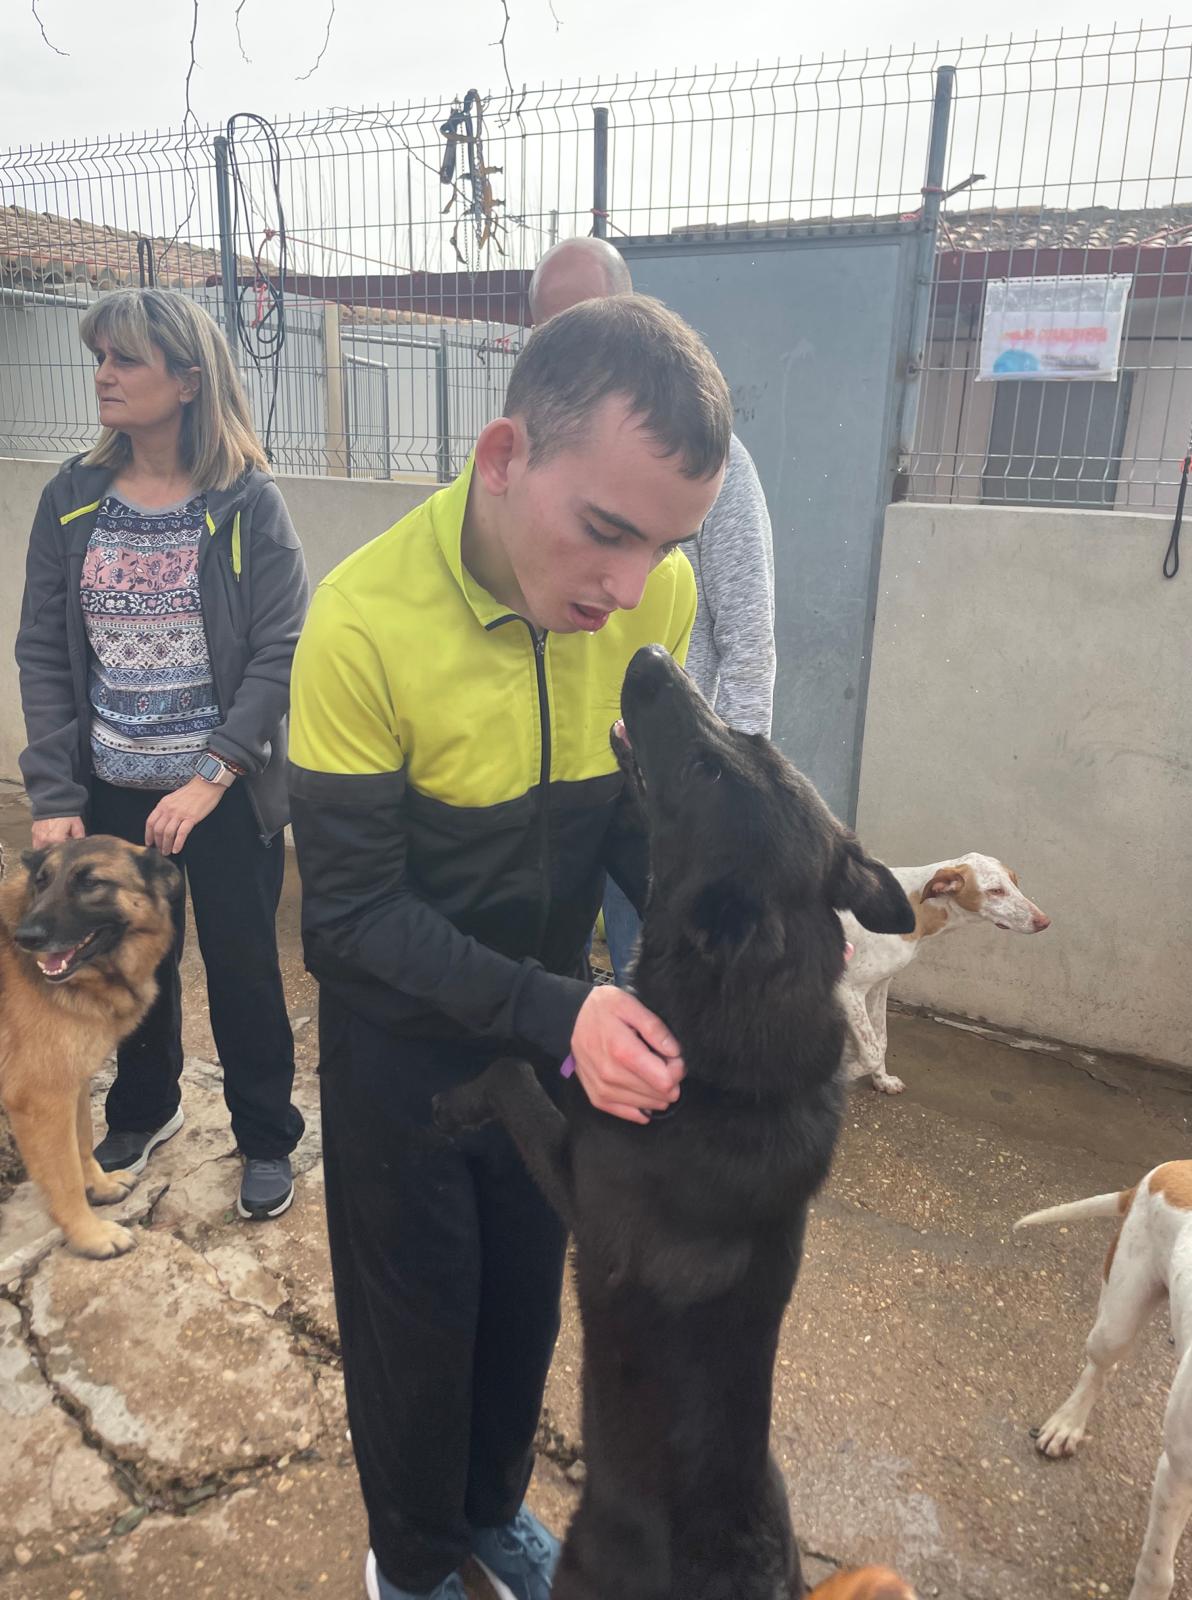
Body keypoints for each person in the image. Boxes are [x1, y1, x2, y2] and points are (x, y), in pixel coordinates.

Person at [287, 295, 731, 1600]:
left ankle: (485, 1515)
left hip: (549, 1046)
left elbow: (635, 832)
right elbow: (350, 924)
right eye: (605, 531)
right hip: (403, 1058)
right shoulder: (360, 624)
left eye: (665, 546)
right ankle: (412, 1563)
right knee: (414, 1331)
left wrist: (694, 976)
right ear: (501, 457)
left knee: (524, 1309)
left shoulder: (655, 599)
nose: (628, 588)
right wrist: (564, 1011)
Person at [16, 287, 308, 1222]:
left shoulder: (246, 504)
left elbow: (278, 651)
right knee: (123, 965)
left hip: (215, 798)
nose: (102, 374)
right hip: (106, 789)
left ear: (187, 380)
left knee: (244, 969)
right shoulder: (71, 499)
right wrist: (57, 790)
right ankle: (148, 1109)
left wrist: (212, 773)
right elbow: (46, 654)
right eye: (98, 355)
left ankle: (266, 1136)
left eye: (125, 359)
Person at [528, 237, 776, 983]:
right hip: (568, 789)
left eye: (585, 320)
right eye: (548, 331)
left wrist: (729, 807)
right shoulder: (539, 465)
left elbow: (750, 644)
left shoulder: (708, 462)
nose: (568, 348)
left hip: (668, 802)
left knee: (674, 981)